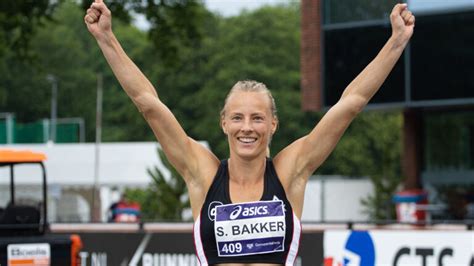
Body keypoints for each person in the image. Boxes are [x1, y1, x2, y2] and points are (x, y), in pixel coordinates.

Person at [85, 1, 414, 265]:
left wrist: (396, 41)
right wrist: (106, 37)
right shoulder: (203, 174)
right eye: (238, 117)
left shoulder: (289, 173)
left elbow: (350, 104)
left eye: (257, 118)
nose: (247, 127)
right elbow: (149, 105)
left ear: (273, 125)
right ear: (223, 123)